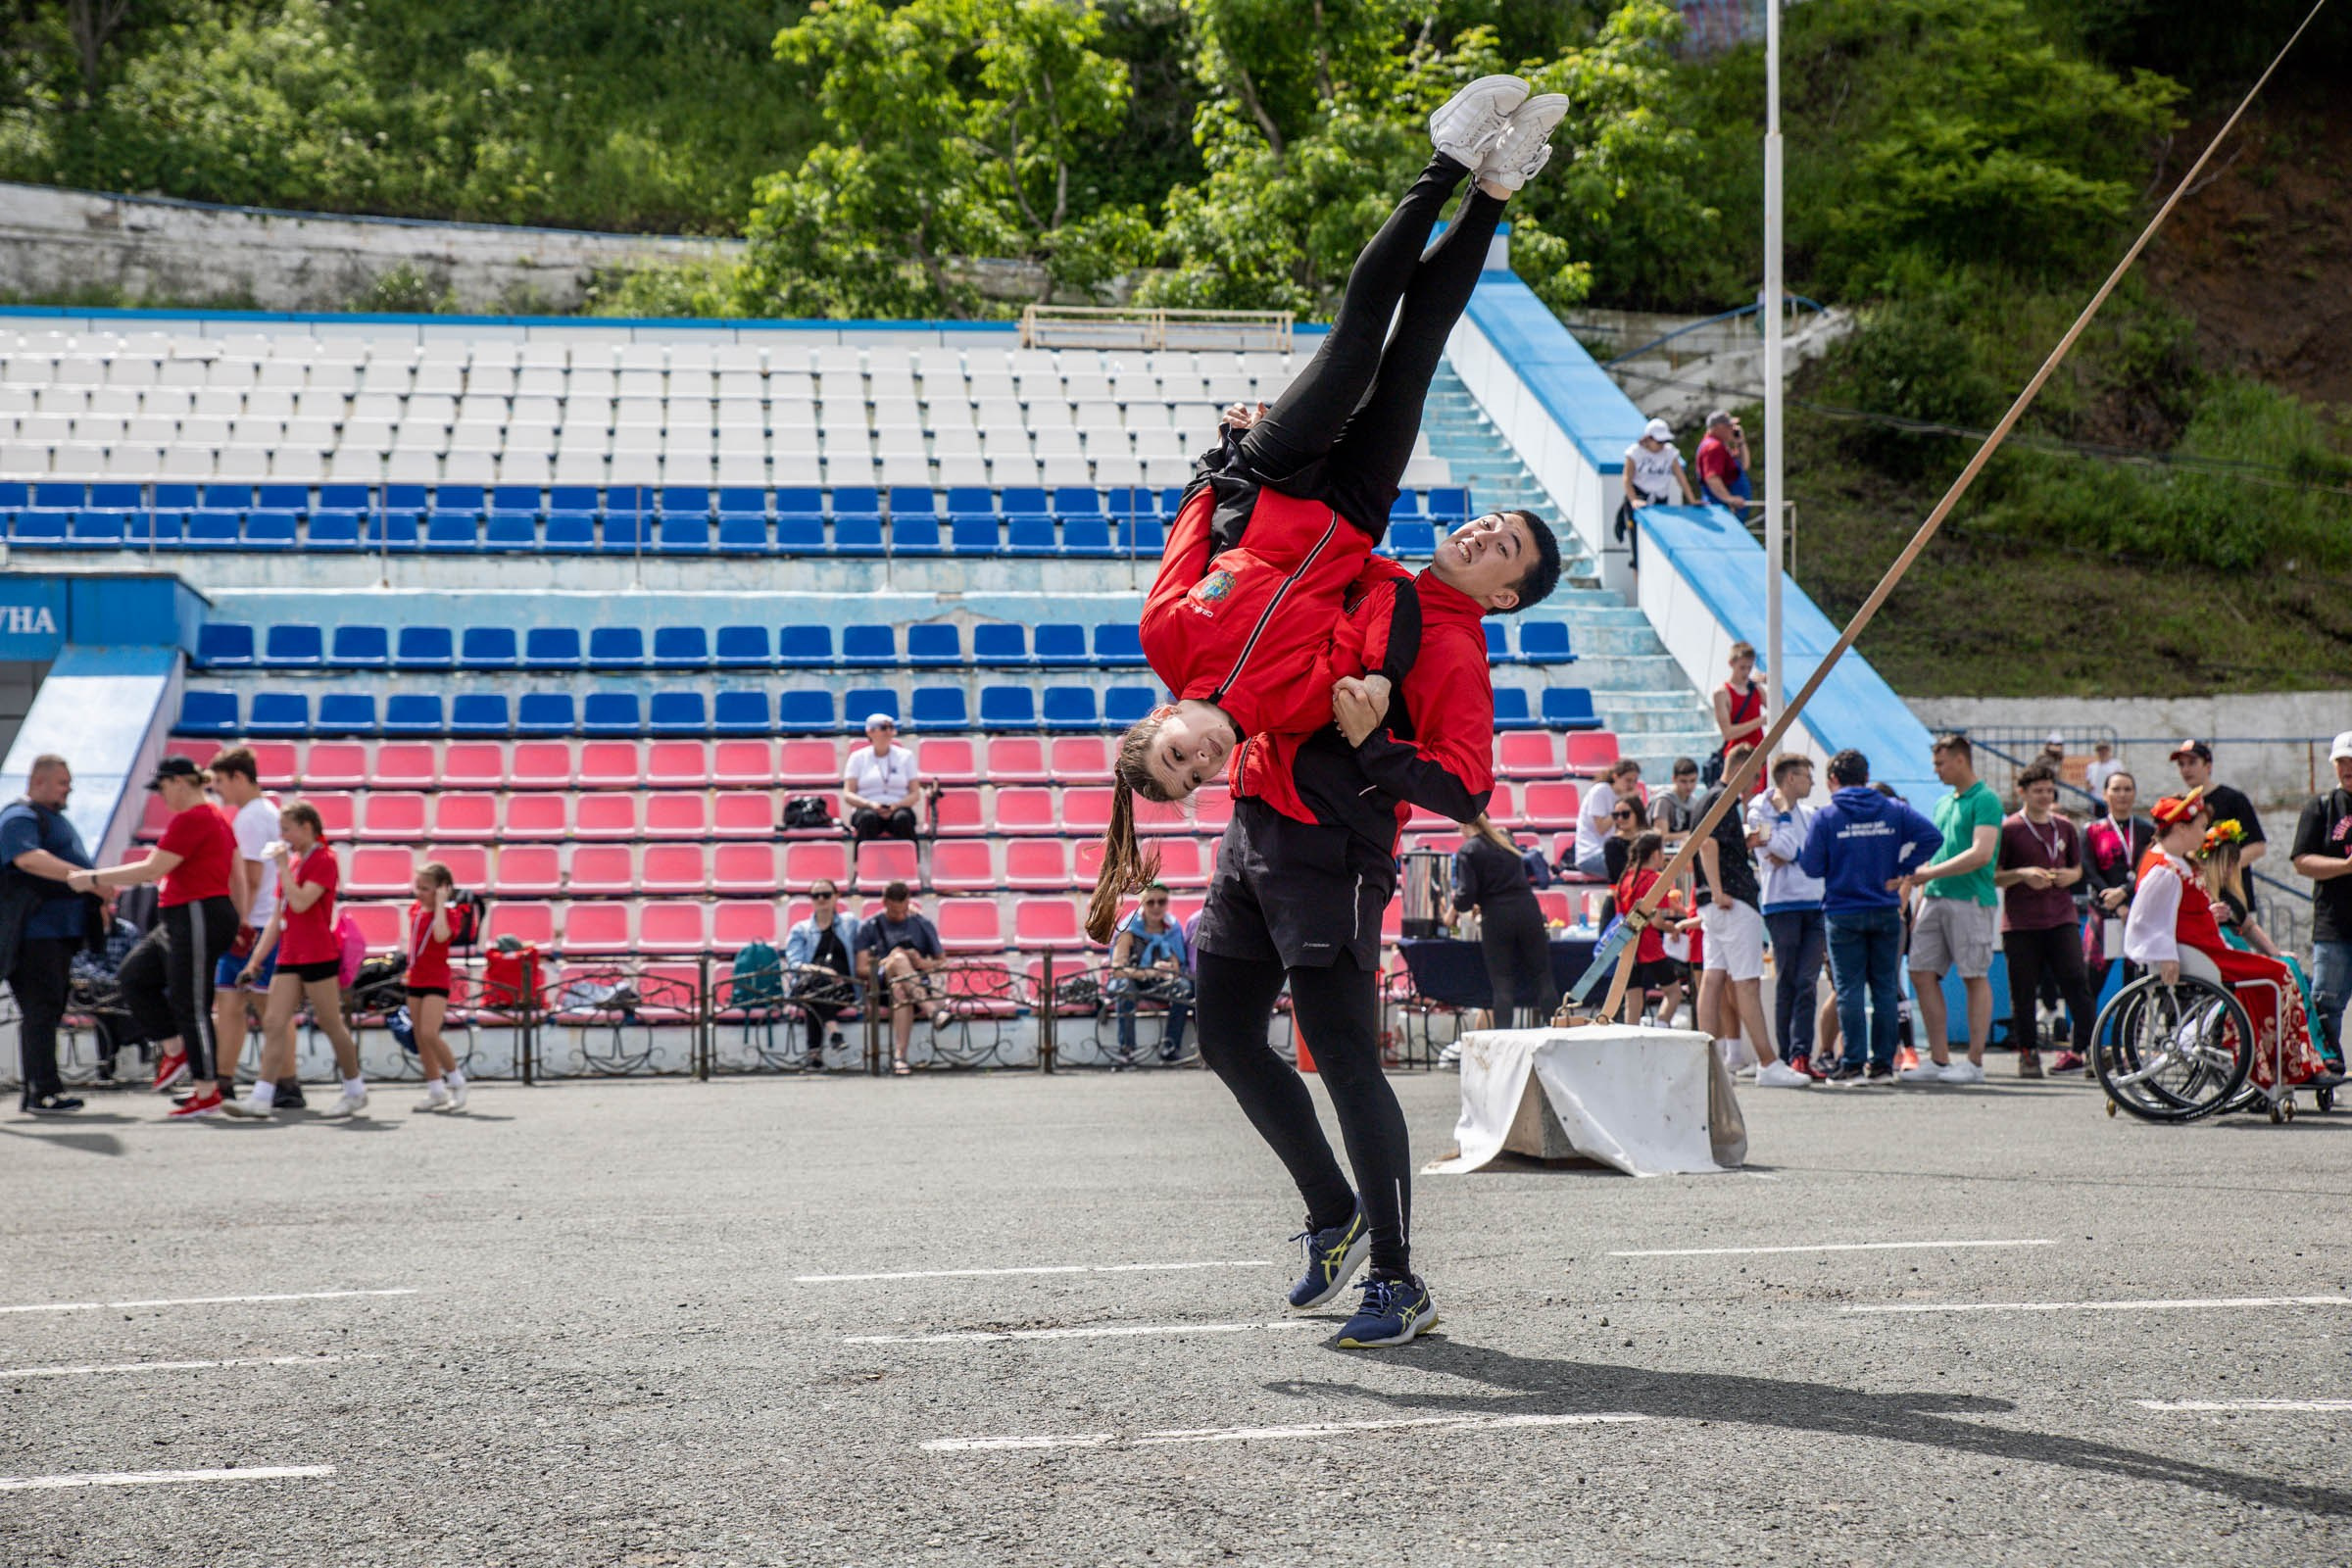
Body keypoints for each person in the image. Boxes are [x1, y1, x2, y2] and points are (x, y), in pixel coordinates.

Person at [1188, 75, 1574, 1351]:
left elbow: (1464, 790)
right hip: (1258, 814)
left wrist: (1374, 742)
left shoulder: (1453, 646)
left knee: (1346, 1054)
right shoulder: (1392, 568)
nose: (1486, 530)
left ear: (1505, 594)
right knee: (1223, 1030)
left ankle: (1401, 1277)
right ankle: (1332, 1210)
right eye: (1493, 521)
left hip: (1332, 843)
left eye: (1505, 545)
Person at [1095, 85, 1567, 936]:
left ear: (1161, 718)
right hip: (1352, 515)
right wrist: (1383, 672)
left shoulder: (1165, 635)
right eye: (1196, 777)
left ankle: (1447, 156)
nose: (1201, 759)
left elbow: (1189, 535)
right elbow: (1367, 622)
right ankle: (1497, 184)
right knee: (1415, 355)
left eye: (1177, 754)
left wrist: (1223, 454)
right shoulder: (1292, 713)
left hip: (1274, 477)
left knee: (1354, 349)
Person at [2125, 791, 2330, 1096]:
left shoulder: (2176, 863)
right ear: (2180, 828)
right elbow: (2148, 919)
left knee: (2279, 971)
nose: (2204, 833)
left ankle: (2281, 1064)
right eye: (2200, 827)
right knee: (2279, 975)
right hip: (2204, 954)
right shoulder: (2165, 870)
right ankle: (2284, 1065)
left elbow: (2175, 914)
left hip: (2209, 948)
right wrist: (2165, 955)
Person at [70, 756, 237, 1119]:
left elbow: (151, 869)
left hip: (197, 912)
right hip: (181, 916)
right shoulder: (209, 818)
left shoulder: (195, 818)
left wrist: (93, 878)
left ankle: (207, 1090)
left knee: (191, 1003)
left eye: (162, 788)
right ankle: (175, 1048)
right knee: (134, 977)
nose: (162, 797)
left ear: (178, 781)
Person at [1799, 749, 1944, 1082]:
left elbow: (1810, 866)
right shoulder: (1893, 809)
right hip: (1885, 908)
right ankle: (1882, 1064)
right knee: (1884, 987)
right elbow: (1932, 837)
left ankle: (1852, 1062)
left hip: (1843, 910)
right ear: (1866, 777)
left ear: (1833, 780)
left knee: (1849, 989)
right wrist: (1904, 868)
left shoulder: (1827, 816)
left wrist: (1836, 865)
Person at [225, 802, 366, 1119]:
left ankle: (354, 1089)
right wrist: (255, 961)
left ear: (307, 827)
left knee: (331, 1023)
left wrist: (283, 868)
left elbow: (301, 902)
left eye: (287, 829)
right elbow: (278, 918)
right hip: (290, 953)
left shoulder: (324, 860)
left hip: (317, 953)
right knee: (274, 1022)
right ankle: (262, 1096)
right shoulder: (294, 862)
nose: (283, 837)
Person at [1692, 744, 1804, 1086]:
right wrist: (1719, 890)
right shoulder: (1722, 799)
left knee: (1713, 978)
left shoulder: (1708, 798)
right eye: (1754, 776)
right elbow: (1707, 844)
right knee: (1746, 982)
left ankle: (1707, 1060)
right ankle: (1768, 1061)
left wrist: (1746, 845)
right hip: (1731, 899)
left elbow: (1710, 843)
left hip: (1714, 900)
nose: (1755, 785)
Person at [1900, 734, 2002, 1085]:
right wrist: (1921, 897)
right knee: (1920, 971)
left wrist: (1929, 874)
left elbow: (1982, 853)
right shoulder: (1943, 802)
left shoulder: (1986, 799)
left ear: (1961, 760)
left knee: (1974, 975)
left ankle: (1974, 1062)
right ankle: (1939, 1059)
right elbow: (1935, 854)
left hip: (1970, 898)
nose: (1936, 770)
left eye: (1940, 763)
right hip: (1934, 897)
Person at [1, 755, 94, 1114]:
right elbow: (27, 859)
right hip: (34, 935)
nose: (68, 789)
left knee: (49, 1009)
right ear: (38, 781)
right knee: (41, 1010)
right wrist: (86, 878)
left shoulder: (51, 818)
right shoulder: (20, 817)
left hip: (55, 934)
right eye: (61, 782)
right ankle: (42, 1091)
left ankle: (41, 1089)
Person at [1993, 762, 2096, 1078]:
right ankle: (2028, 1052)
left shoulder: (2064, 826)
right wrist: (2023, 874)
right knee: (2023, 991)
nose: (2044, 796)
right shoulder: (2010, 829)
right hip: (2021, 923)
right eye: (2037, 790)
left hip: (2061, 917)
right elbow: (1995, 876)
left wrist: (2070, 876)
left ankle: (2087, 1050)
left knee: (2076, 982)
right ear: (2022, 792)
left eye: (2049, 790)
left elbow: (2077, 868)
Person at [205, 747, 282, 1110]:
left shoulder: (250, 818)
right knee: (243, 1004)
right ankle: (272, 1082)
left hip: (254, 923)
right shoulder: (269, 811)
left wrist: (239, 922)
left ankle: (232, 1081)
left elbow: (249, 878)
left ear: (238, 777)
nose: (217, 790)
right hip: (265, 920)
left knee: (243, 1006)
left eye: (220, 781)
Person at [1750, 753, 1826, 1081]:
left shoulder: (1809, 814)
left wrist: (1794, 853)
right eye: (1807, 776)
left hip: (1814, 903)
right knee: (1788, 980)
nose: (1812, 783)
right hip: (1782, 905)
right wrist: (1782, 819)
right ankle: (1783, 1054)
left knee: (1807, 981)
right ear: (1791, 778)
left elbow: (1812, 855)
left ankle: (1801, 1054)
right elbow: (1785, 850)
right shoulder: (1760, 809)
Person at [1451, 829, 1555, 1030]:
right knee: (1544, 978)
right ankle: (1558, 1037)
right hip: (1527, 908)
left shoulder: (1469, 849)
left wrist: (1455, 908)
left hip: (1496, 914)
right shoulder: (1505, 840)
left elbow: (1466, 896)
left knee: (1502, 984)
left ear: (1464, 825)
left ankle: (1503, 1042)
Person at [2290, 734, 2352, 1066]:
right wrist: (2345, 866)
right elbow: (2301, 861)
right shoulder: (2322, 806)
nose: (2347, 768)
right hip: (2334, 924)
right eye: (2342, 761)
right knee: (2326, 1003)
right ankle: (2325, 1065)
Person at [858, 881, 946, 1077]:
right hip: (881, 986)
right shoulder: (870, 926)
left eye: (903, 910)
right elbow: (861, 969)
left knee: (900, 990)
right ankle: (932, 1012)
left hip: (912, 986)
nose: (899, 915)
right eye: (894, 911)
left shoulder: (922, 924)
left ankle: (899, 1057)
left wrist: (921, 963)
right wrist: (890, 960)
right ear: (884, 903)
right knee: (898, 959)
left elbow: (941, 962)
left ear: (909, 903)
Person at [404, 860, 468, 1112]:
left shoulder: (450, 914)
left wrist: (441, 903)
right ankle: (435, 1089)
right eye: (417, 887)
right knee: (420, 1037)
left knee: (430, 1033)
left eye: (426, 888)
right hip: (416, 977)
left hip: (436, 979)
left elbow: (441, 936)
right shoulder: (415, 910)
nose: (419, 893)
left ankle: (457, 1081)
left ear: (441, 889)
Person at [1611, 831, 1690, 1025]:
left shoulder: (1625, 879)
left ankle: (1631, 1036)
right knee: (1674, 992)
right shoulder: (1653, 880)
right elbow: (1656, 921)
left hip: (1628, 945)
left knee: (1633, 999)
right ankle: (1661, 1027)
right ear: (1655, 854)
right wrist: (1670, 927)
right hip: (1649, 945)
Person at [1108, 883, 1194, 1065]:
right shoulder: (1129, 929)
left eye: (1161, 902)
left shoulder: (1172, 928)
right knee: (1125, 989)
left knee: (1184, 988)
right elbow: (1118, 970)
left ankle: (1170, 1048)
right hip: (1132, 979)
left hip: (1158, 981)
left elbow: (1177, 968)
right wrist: (1148, 972)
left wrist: (1167, 969)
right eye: (1150, 902)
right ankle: (1127, 1050)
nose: (1156, 907)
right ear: (1142, 903)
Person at [784, 877, 860, 1071]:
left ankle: (815, 1055)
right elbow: (795, 963)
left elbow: (871, 933)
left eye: (826, 895)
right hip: (811, 982)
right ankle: (834, 1032)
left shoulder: (850, 923)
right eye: (815, 895)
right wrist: (823, 971)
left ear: (836, 897)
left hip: (843, 988)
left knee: (813, 997)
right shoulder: (800, 929)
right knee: (816, 986)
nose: (821, 899)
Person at [2084, 770, 2155, 976]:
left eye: (2127, 789)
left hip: (2138, 910)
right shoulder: (2092, 830)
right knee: (2090, 977)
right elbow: (2089, 870)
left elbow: (2150, 869)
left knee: (2136, 978)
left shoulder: (2147, 831)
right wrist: (2114, 901)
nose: (2122, 794)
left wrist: (2124, 893)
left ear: (2134, 793)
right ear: (2105, 794)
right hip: (2103, 909)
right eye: (2116, 789)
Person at [2172, 740, 2265, 873]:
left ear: (2208, 766)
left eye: (2192, 762)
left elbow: (2257, 846)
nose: (2186, 769)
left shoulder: (2233, 799)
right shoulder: (2181, 806)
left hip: (2230, 883)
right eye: (2181, 764)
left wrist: (2223, 871)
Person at [1615, 416, 1693, 571]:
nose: (1662, 445)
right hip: (1639, 499)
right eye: (1659, 442)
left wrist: (1692, 499)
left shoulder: (1669, 452)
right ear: (1648, 439)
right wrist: (1633, 500)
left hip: (1660, 501)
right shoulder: (1635, 452)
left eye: (1665, 441)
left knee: (1660, 546)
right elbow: (1627, 478)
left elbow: (1681, 478)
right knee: (1638, 552)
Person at [843, 714, 924, 843]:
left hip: (899, 806)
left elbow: (915, 793)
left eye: (891, 728)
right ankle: (864, 856)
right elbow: (848, 794)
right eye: (883, 728)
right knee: (867, 818)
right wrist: (870, 804)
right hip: (867, 807)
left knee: (903, 818)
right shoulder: (857, 757)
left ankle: (911, 856)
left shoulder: (906, 756)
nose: (888, 732)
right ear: (870, 731)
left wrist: (896, 805)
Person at [1573, 759, 1642, 880]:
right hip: (1592, 854)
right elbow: (1601, 828)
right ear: (1615, 777)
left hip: (1615, 851)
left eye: (1634, 781)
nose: (1631, 785)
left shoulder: (1625, 797)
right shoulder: (1600, 791)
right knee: (1636, 872)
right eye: (1628, 780)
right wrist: (1621, 806)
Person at [1712, 642, 1766, 786]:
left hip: (1758, 752)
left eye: (1749, 668)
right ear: (1731, 663)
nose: (1746, 672)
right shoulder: (1722, 692)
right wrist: (1760, 721)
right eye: (1742, 667)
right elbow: (1728, 733)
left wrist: (1771, 683)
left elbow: (1780, 710)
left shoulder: (1755, 689)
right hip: (1737, 757)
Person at [1693, 410, 1752, 519]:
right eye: (1729, 426)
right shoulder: (1713, 447)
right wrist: (1729, 499)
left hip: (1727, 510)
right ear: (1718, 427)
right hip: (1722, 510)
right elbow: (1712, 478)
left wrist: (1740, 442)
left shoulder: (1722, 446)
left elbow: (1744, 465)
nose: (1732, 429)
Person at [1651, 758, 1703, 841]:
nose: (1689, 786)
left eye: (1692, 781)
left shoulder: (1694, 802)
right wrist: (1691, 834)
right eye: (1683, 781)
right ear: (1674, 779)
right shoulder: (1664, 801)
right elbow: (1661, 837)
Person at [2085, 741, 2123, 805]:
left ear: (2109, 750)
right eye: (2099, 750)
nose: (2102, 752)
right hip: (2097, 800)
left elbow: (2122, 781)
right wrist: (2089, 788)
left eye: (2104, 750)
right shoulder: (2091, 766)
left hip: (2113, 799)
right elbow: (2087, 784)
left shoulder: (2117, 764)